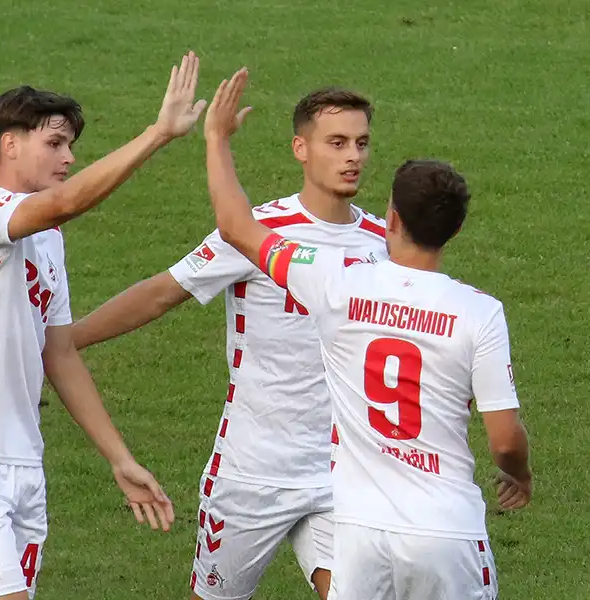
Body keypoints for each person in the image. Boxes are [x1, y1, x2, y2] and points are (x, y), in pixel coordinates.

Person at [200, 68, 533, 600]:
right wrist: (521, 476)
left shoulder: (338, 285)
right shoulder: (480, 312)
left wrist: (217, 139)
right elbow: (505, 439)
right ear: (458, 228)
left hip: (360, 531)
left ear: (391, 218)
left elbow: (238, 227)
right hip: (448, 529)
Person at [0, 51, 208, 600]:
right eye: (55, 143)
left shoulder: (48, 240)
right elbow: (65, 202)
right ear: (10, 143)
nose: (68, 157)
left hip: (24, 464)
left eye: (71, 146)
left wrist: (120, 458)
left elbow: (61, 353)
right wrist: (158, 134)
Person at [71, 87, 386, 600]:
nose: (353, 156)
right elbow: (161, 293)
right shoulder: (256, 232)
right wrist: (67, 340)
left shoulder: (379, 244)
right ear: (300, 148)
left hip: (341, 473)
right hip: (251, 472)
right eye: (337, 142)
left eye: (361, 143)